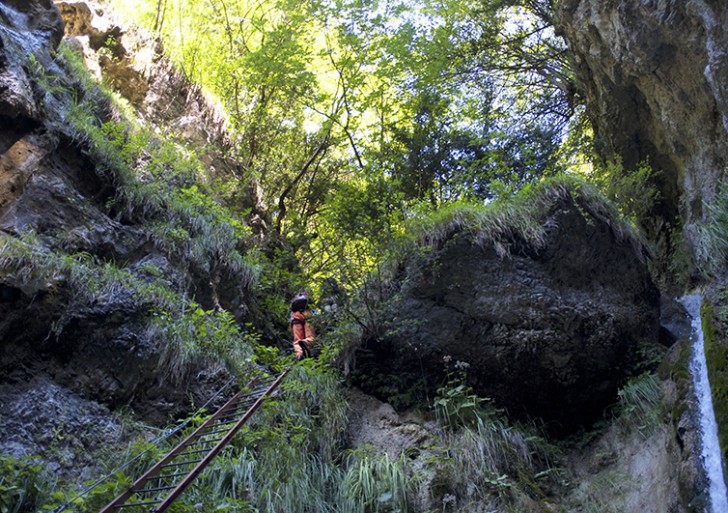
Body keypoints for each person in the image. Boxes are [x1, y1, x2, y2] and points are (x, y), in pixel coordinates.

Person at [289, 292, 315, 360]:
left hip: (296, 317)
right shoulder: (308, 302)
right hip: (307, 315)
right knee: (310, 336)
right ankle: (306, 342)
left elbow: (290, 319)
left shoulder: (294, 303)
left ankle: (299, 354)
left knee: (297, 340)